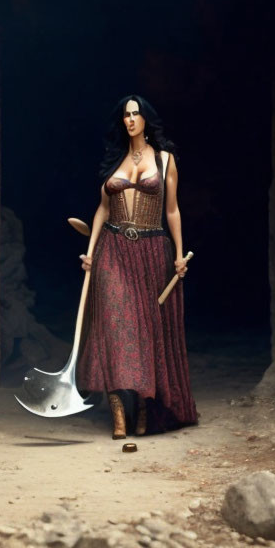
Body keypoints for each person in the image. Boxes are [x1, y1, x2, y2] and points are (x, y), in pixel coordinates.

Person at [77, 95, 197, 439]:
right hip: (112, 250)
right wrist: (90, 251)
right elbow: (102, 208)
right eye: (126, 115)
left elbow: (171, 210)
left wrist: (177, 253)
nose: (130, 120)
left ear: (146, 119)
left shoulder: (164, 159)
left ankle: (144, 408)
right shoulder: (115, 159)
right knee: (115, 329)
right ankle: (118, 414)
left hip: (150, 252)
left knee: (144, 334)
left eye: (136, 114)